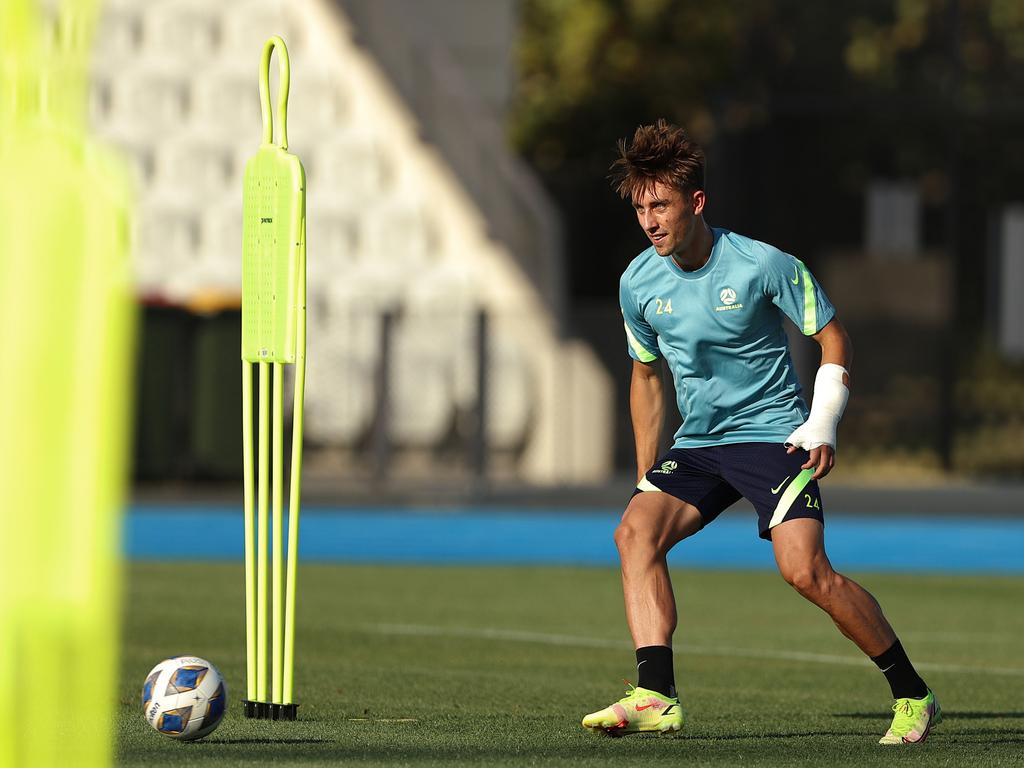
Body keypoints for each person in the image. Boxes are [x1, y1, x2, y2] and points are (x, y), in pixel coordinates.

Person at [581, 120, 940, 745]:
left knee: (805, 573)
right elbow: (645, 377)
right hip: (698, 445)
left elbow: (833, 337)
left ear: (696, 202)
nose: (649, 221)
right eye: (640, 208)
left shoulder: (761, 264)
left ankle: (912, 693)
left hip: (774, 437)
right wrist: (645, 475)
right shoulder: (638, 282)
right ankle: (655, 695)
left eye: (660, 205)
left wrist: (822, 422)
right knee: (634, 534)